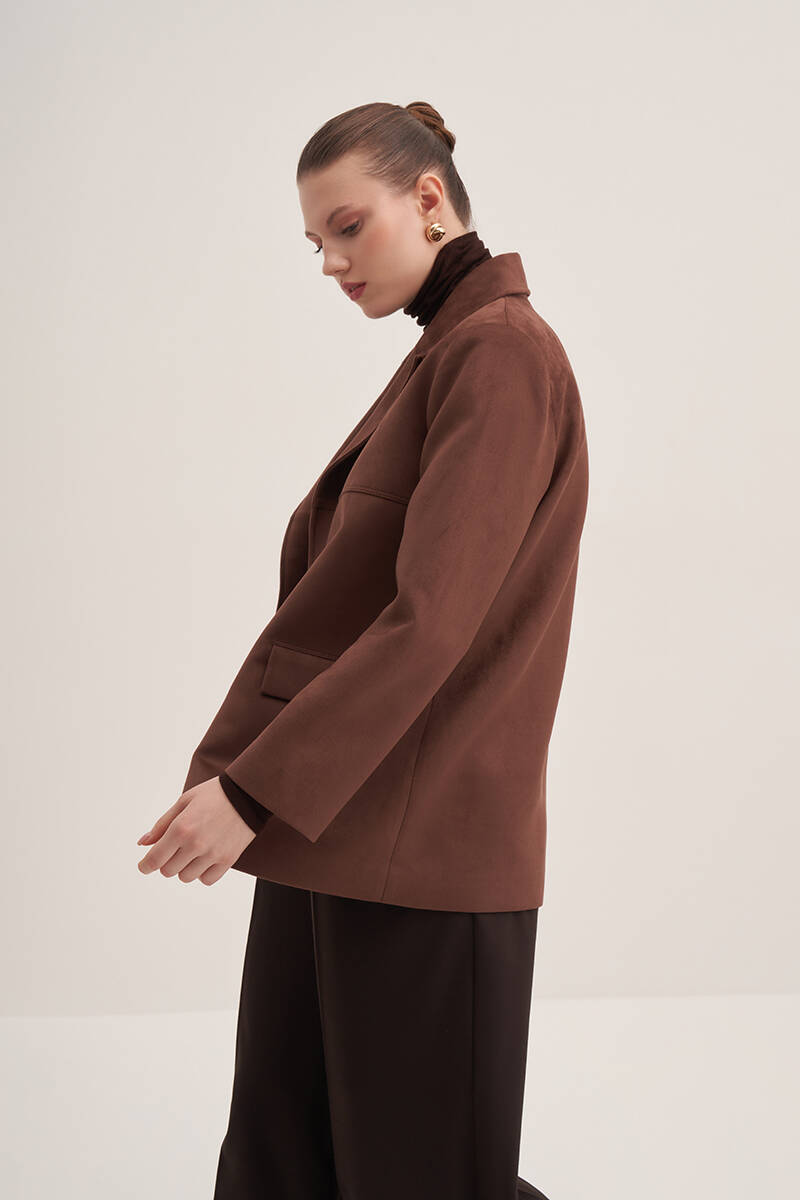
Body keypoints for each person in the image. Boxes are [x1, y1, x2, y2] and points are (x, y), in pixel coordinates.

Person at [137, 100, 589, 1200]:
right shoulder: (448, 352)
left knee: (420, 1177)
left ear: (429, 199)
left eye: (348, 228)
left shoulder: (498, 355)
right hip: (339, 831)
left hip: (422, 853)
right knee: (284, 1169)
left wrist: (252, 790)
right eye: (316, 245)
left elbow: (431, 619)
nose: (332, 263)